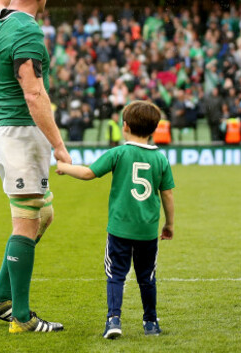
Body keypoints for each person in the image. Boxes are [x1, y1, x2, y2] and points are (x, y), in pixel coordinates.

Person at [0, 0, 72, 334]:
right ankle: (20, 316)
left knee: (43, 214)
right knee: (26, 222)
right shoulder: (29, 32)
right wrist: (59, 145)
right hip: (20, 132)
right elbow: (34, 93)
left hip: (4, 130)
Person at [56, 101, 175, 339]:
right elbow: (167, 194)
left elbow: (89, 173)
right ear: (153, 130)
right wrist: (169, 224)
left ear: (125, 126)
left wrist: (63, 167)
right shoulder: (161, 159)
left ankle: (113, 321)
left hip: (120, 228)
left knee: (116, 274)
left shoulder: (118, 153)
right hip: (147, 230)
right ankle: (150, 322)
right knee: (147, 276)